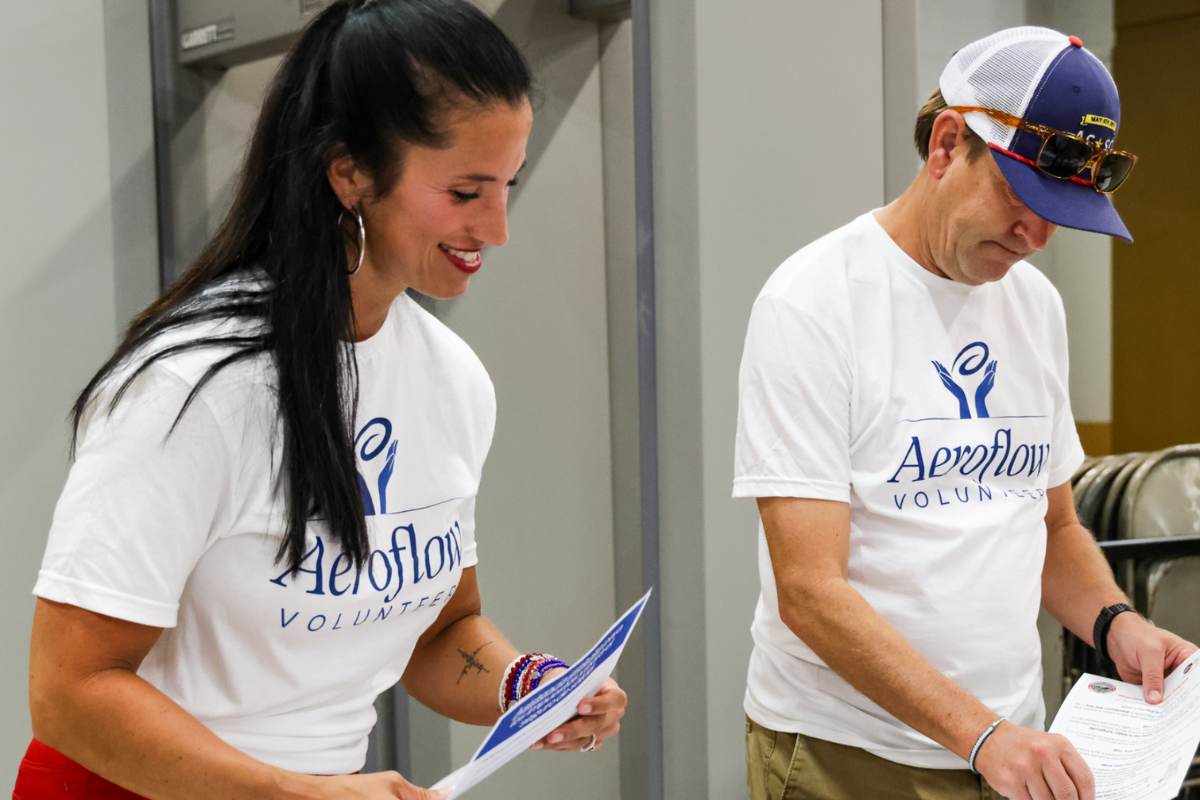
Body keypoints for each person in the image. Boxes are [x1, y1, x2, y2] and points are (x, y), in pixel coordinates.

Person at [18, 2, 626, 799]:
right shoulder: (192, 388)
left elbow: (439, 631)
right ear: (351, 174)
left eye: (506, 185)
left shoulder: (452, 378)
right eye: (466, 190)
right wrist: (295, 794)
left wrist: (529, 687)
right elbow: (69, 690)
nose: (497, 228)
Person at [734, 26, 1196, 800]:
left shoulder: (1033, 307)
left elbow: (1049, 525)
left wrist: (1120, 624)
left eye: (1064, 212)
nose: (1039, 236)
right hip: (853, 754)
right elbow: (810, 591)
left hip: (1013, 748)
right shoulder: (815, 301)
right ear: (948, 144)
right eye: (1022, 197)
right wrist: (981, 736)